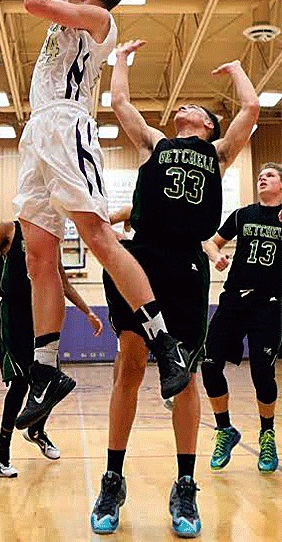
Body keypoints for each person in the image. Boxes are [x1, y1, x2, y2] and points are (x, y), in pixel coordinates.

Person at [13, 0, 191, 432]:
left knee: (98, 237)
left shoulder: (100, 19)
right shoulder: (81, 1)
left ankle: (165, 341)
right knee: (38, 257)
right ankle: (47, 371)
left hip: (67, 127)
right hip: (36, 133)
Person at [90, 40, 259, 537]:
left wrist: (235, 69)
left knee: (182, 372)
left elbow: (249, 108)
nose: (182, 107)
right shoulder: (154, 144)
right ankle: (113, 477)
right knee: (132, 359)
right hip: (142, 255)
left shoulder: (219, 151)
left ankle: (185, 484)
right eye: (180, 106)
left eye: (194, 108)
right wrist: (120, 59)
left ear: (207, 125)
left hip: (187, 262)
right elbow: (120, 103)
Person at [0, 219, 102, 478]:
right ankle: (1, 454)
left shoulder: (50, 238)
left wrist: (87, 311)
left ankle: (36, 430)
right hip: (13, 314)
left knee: (48, 379)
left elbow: (62, 283)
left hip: (40, 313)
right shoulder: (8, 230)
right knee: (20, 383)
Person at [202, 162, 282, 474]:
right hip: (234, 300)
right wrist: (215, 256)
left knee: (263, 372)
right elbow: (210, 240)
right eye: (261, 175)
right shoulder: (242, 215)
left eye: (271, 175)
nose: (263, 178)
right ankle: (224, 430)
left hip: (269, 304)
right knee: (209, 365)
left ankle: (267, 434)